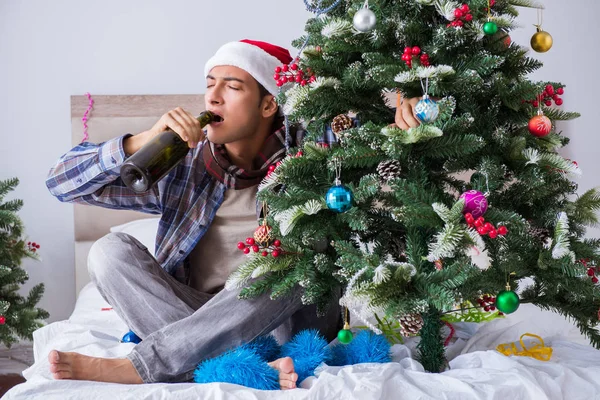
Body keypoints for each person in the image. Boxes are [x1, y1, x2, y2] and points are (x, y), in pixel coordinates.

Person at [45, 39, 421, 389]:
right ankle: (242, 366)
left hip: (288, 322)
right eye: (210, 84)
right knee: (107, 251)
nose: (214, 96)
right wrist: (140, 141)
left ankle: (145, 365)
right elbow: (61, 182)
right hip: (195, 316)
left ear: (269, 105)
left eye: (232, 86)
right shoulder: (181, 163)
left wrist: (410, 109)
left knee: (299, 246)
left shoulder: (315, 153)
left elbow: (382, 134)